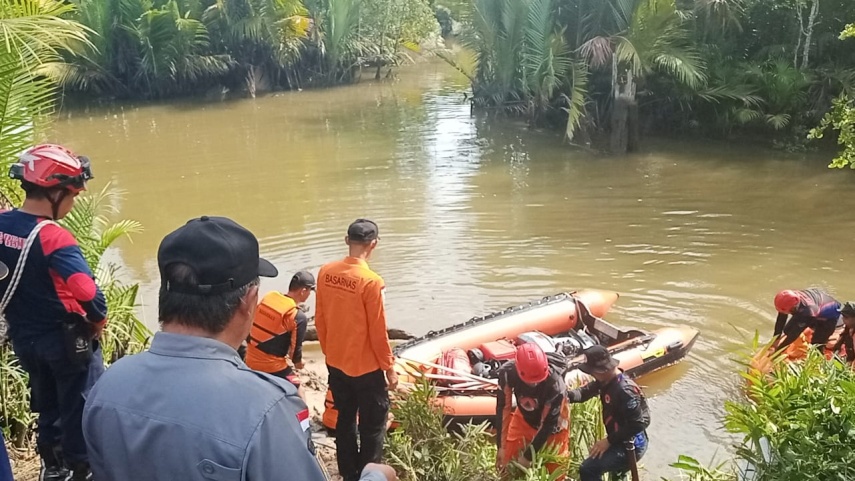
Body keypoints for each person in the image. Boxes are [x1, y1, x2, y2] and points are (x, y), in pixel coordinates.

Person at [82, 216, 398, 481]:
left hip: (339, 364)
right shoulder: (267, 409)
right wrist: (374, 477)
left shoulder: (106, 388)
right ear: (249, 302)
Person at [0, 144, 106, 481]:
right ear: (55, 191)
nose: (73, 203)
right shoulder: (52, 237)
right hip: (65, 343)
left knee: (46, 404)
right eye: (72, 195)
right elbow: (87, 292)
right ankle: (81, 467)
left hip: (25, 340)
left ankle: (52, 466)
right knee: (79, 406)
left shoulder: (2, 225)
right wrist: (98, 321)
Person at [315, 218, 397, 481]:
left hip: (336, 364)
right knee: (372, 427)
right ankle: (368, 475)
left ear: (346, 240)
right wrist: (390, 368)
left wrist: (330, 352)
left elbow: (321, 318)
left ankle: (349, 476)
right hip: (367, 370)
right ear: (373, 245)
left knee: (345, 421)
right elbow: (378, 332)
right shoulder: (371, 282)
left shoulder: (326, 272)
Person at [567, 346, 650, 481]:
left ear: (602, 370)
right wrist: (562, 396)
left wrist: (608, 441)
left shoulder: (624, 390)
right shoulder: (606, 381)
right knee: (616, 476)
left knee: (588, 469)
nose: (591, 375)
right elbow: (583, 393)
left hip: (631, 446)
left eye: (592, 371)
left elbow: (639, 423)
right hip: (619, 440)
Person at [495, 343, 569, 477]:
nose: (534, 384)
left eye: (538, 381)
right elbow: (503, 408)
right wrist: (501, 446)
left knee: (555, 473)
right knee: (507, 464)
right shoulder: (507, 373)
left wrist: (528, 456)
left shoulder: (556, 385)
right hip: (524, 419)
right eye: (530, 381)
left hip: (554, 427)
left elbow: (547, 425)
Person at [245, 270, 314, 399]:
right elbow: (296, 357)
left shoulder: (270, 297)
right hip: (272, 366)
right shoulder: (297, 316)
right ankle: (302, 420)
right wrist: (300, 363)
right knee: (300, 393)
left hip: (249, 359)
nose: (310, 294)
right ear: (303, 291)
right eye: (310, 290)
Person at [772, 288, 841, 352]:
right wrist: (775, 339)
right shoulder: (789, 301)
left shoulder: (808, 311)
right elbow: (781, 319)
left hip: (829, 316)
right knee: (787, 330)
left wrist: (778, 351)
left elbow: (794, 334)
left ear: (794, 307)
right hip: (817, 302)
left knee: (816, 344)